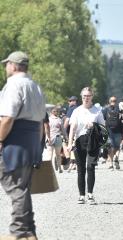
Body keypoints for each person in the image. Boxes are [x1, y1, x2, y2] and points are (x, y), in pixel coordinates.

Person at [0, 51, 46, 240]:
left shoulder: (14, 85)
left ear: (13, 65)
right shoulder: (35, 86)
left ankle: (18, 232)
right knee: (23, 187)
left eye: (6, 64)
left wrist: (0, 139)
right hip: (32, 140)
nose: (5, 68)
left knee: (15, 186)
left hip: (15, 142)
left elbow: (8, 118)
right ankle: (29, 230)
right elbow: (41, 121)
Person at [67, 87, 105, 205]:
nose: (86, 98)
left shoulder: (97, 111)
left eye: (88, 96)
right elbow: (72, 127)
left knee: (90, 167)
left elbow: (103, 127)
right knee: (81, 169)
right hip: (80, 141)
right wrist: (69, 143)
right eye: (84, 96)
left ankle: (90, 194)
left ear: (92, 96)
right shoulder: (77, 111)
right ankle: (81, 195)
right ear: (81, 97)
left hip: (93, 141)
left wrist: (94, 125)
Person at [102, 96, 123, 170]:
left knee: (112, 147)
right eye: (113, 101)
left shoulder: (106, 109)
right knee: (115, 147)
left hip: (111, 131)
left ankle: (112, 163)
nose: (113, 102)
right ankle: (114, 159)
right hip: (115, 131)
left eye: (114, 100)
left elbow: (102, 120)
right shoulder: (118, 108)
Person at [48, 107, 65, 173]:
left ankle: (58, 168)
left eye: (57, 111)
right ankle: (54, 168)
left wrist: (66, 137)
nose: (56, 112)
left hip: (54, 137)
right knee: (54, 154)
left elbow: (63, 130)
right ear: (52, 112)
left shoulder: (58, 120)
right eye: (55, 111)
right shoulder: (52, 119)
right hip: (53, 137)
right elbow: (63, 130)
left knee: (55, 154)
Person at [64, 96, 78, 171]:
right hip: (79, 131)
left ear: (73, 101)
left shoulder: (71, 109)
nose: (68, 103)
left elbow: (67, 120)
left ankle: (72, 163)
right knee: (75, 146)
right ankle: (74, 163)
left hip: (71, 131)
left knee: (69, 146)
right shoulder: (79, 108)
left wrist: (63, 131)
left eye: (69, 101)